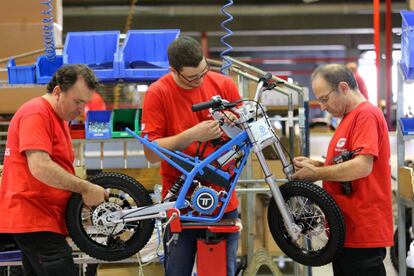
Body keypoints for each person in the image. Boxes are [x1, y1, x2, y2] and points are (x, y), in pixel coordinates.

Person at [141, 36, 241, 276]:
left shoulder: (224, 85)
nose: (200, 81)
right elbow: (150, 153)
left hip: (222, 199)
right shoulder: (158, 93)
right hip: (180, 201)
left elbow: (244, 135)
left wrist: (236, 125)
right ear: (173, 70)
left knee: (221, 272)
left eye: (203, 73)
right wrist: (191, 135)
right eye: (192, 77)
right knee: (177, 271)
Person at [0, 64, 107, 276]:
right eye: (77, 102)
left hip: (44, 218)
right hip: (34, 217)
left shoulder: (59, 118)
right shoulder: (37, 113)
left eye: (84, 103)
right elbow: (40, 166)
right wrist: (85, 188)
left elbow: (56, 170)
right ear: (58, 92)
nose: (81, 110)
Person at [292, 64, 393, 275]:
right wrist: (317, 165)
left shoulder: (366, 115)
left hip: (362, 230)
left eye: (325, 99)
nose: (323, 106)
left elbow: (362, 166)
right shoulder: (347, 119)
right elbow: (346, 161)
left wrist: (317, 174)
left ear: (344, 87)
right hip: (345, 228)